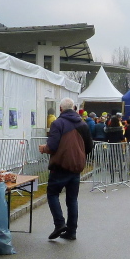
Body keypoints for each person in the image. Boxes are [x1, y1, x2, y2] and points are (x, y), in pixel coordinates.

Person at [39, 98, 94, 241]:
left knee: (52, 194)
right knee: (72, 200)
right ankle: (71, 231)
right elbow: (89, 146)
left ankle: (59, 224)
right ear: (74, 108)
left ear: (60, 109)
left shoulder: (58, 123)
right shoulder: (83, 124)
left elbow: (52, 146)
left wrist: (44, 148)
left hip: (60, 166)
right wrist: (78, 155)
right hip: (76, 167)